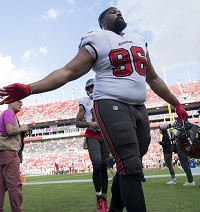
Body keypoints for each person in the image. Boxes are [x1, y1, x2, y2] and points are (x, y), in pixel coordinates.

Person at [0, 7, 188, 212]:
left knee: (131, 165)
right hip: (111, 103)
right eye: (112, 12)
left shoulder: (139, 39)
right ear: (102, 22)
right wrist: (30, 89)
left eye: (120, 11)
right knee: (130, 166)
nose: (118, 13)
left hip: (139, 107)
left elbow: (152, 78)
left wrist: (176, 103)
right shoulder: (97, 39)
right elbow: (68, 71)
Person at [75, 78, 110, 212]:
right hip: (92, 134)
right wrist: (90, 124)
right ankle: (98, 198)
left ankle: (105, 200)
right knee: (97, 164)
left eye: (93, 87)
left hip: (105, 135)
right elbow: (77, 122)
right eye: (88, 88)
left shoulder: (106, 99)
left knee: (104, 167)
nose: (91, 90)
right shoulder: (84, 102)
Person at [0, 100, 29, 212]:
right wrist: (22, 128)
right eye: (19, 101)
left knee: (1, 187)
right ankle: (17, 210)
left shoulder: (7, 113)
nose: (21, 104)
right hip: (9, 153)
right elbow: (10, 130)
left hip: (3, 153)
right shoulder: (9, 113)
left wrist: (21, 133)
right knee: (14, 186)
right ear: (10, 103)